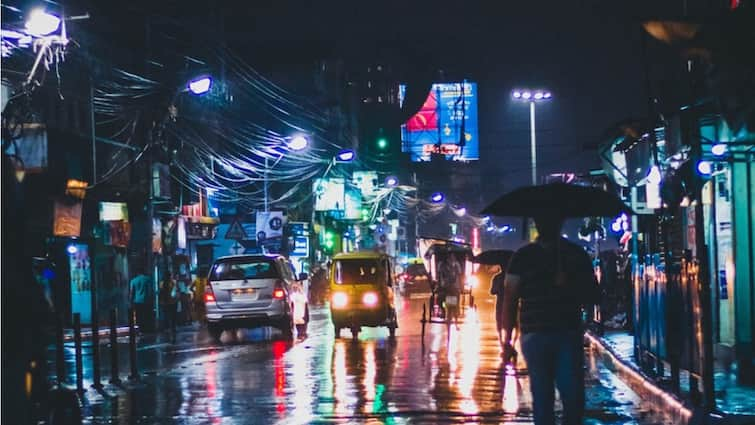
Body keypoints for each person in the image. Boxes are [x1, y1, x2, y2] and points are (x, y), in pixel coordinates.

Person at [501, 215, 600, 425]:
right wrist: (506, 341)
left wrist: (570, 285)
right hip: (539, 335)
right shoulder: (524, 256)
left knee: (569, 397)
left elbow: (592, 294)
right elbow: (510, 299)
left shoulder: (572, 254)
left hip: (564, 332)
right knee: (547, 395)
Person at [129, 266, 152, 331]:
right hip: (146, 300)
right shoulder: (147, 279)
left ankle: (140, 329)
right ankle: (146, 328)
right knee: (146, 315)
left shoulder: (133, 281)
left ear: (137, 272)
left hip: (137, 301)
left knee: (139, 316)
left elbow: (131, 292)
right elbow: (150, 290)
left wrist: (130, 301)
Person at [159, 271, 179, 340]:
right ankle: (172, 328)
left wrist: (161, 301)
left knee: (167, 316)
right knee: (173, 316)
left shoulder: (162, 283)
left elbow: (161, 293)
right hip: (173, 302)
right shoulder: (173, 282)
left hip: (165, 302)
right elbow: (176, 290)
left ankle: (168, 328)